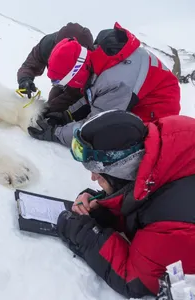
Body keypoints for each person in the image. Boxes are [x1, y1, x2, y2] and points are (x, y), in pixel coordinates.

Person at [55, 109, 195, 298]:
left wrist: (86, 234)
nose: (93, 177)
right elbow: (147, 192)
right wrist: (106, 205)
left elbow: (136, 279)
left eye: (99, 173)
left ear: (123, 172)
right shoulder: (170, 141)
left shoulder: (175, 223)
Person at [27, 22, 181, 147]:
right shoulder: (96, 61)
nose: (63, 86)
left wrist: (55, 134)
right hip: (139, 92)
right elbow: (93, 94)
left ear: (76, 73)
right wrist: (66, 115)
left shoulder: (115, 81)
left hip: (157, 109)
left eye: (64, 82)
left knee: (112, 140)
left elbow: (95, 125)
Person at [17, 22, 94, 113]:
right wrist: (25, 78)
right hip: (61, 81)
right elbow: (31, 63)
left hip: (77, 88)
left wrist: (55, 110)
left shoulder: (90, 61)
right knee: (52, 101)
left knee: (57, 109)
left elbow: (77, 94)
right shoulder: (48, 44)